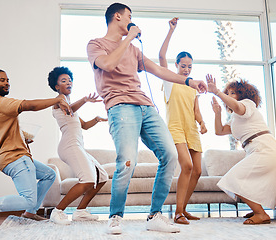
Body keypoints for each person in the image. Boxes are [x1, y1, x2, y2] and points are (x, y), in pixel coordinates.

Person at [87, 3, 207, 234]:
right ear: (117, 16)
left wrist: (190, 82)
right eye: (129, 16)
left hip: (146, 107)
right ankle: (115, 217)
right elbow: (109, 64)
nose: (132, 20)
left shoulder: (133, 50)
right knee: (128, 161)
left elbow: (158, 70)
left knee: (170, 155)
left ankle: (155, 215)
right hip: (120, 106)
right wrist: (130, 37)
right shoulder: (96, 44)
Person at [0, 69, 72, 229]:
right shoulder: (0, 102)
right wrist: (57, 99)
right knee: (28, 198)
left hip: (8, 159)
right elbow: (29, 105)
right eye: (2, 80)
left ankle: (29, 213)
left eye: (8, 79)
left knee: (49, 174)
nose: (7, 82)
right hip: (16, 158)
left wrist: (21, 137)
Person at [206, 74, 276, 225]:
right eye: (227, 93)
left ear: (242, 94)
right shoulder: (235, 118)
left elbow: (237, 107)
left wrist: (217, 92)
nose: (228, 96)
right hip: (258, 149)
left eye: (232, 93)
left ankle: (260, 213)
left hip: (266, 148)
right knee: (245, 180)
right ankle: (257, 209)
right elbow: (220, 131)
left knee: (233, 179)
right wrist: (217, 113)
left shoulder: (247, 104)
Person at [159, 17, 207, 224]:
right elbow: (161, 56)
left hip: (192, 129)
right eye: (183, 66)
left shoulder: (192, 86)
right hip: (176, 129)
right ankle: (178, 213)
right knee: (186, 166)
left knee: (197, 170)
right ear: (177, 65)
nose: (187, 70)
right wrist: (171, 30)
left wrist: (203, 122)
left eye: (190, 67)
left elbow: (195, 108)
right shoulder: (170, 80)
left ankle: (183, 209)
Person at [47, 66, 109, 225]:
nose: (68, 83)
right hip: (68, 145)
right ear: (56, 86)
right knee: (88, 180)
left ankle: (80, 211)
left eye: (69, 80)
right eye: (63, 81)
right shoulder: (59, 101)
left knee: (102, 177)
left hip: (78, 145)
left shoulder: (69, 105)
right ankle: (57, 211)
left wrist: (96, 119)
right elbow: (69, 110)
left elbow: (85, 126)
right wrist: (85, 100)